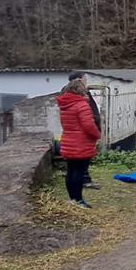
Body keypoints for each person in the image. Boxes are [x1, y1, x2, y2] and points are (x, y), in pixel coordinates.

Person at [57, 78, 102, 208]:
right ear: (80, 90)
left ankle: (72, 199)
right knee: (79, 173)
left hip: (68, 142)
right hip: (81, 144)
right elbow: (89, 125)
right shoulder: (81, 105)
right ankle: (79, 200)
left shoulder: (65, 105)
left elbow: (65, 124)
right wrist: (97, 135)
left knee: (71, 171)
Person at [68, 71, 102, 190]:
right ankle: (82, 185)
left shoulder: (77, 95)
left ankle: (84, 181)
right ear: (79, 80)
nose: (86, 80)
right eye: (84, 78)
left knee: (78, 163)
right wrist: (95, 132)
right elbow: (87, 119)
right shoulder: (78, 96)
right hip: (82, 134)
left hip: (79, 134)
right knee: (80, 161)